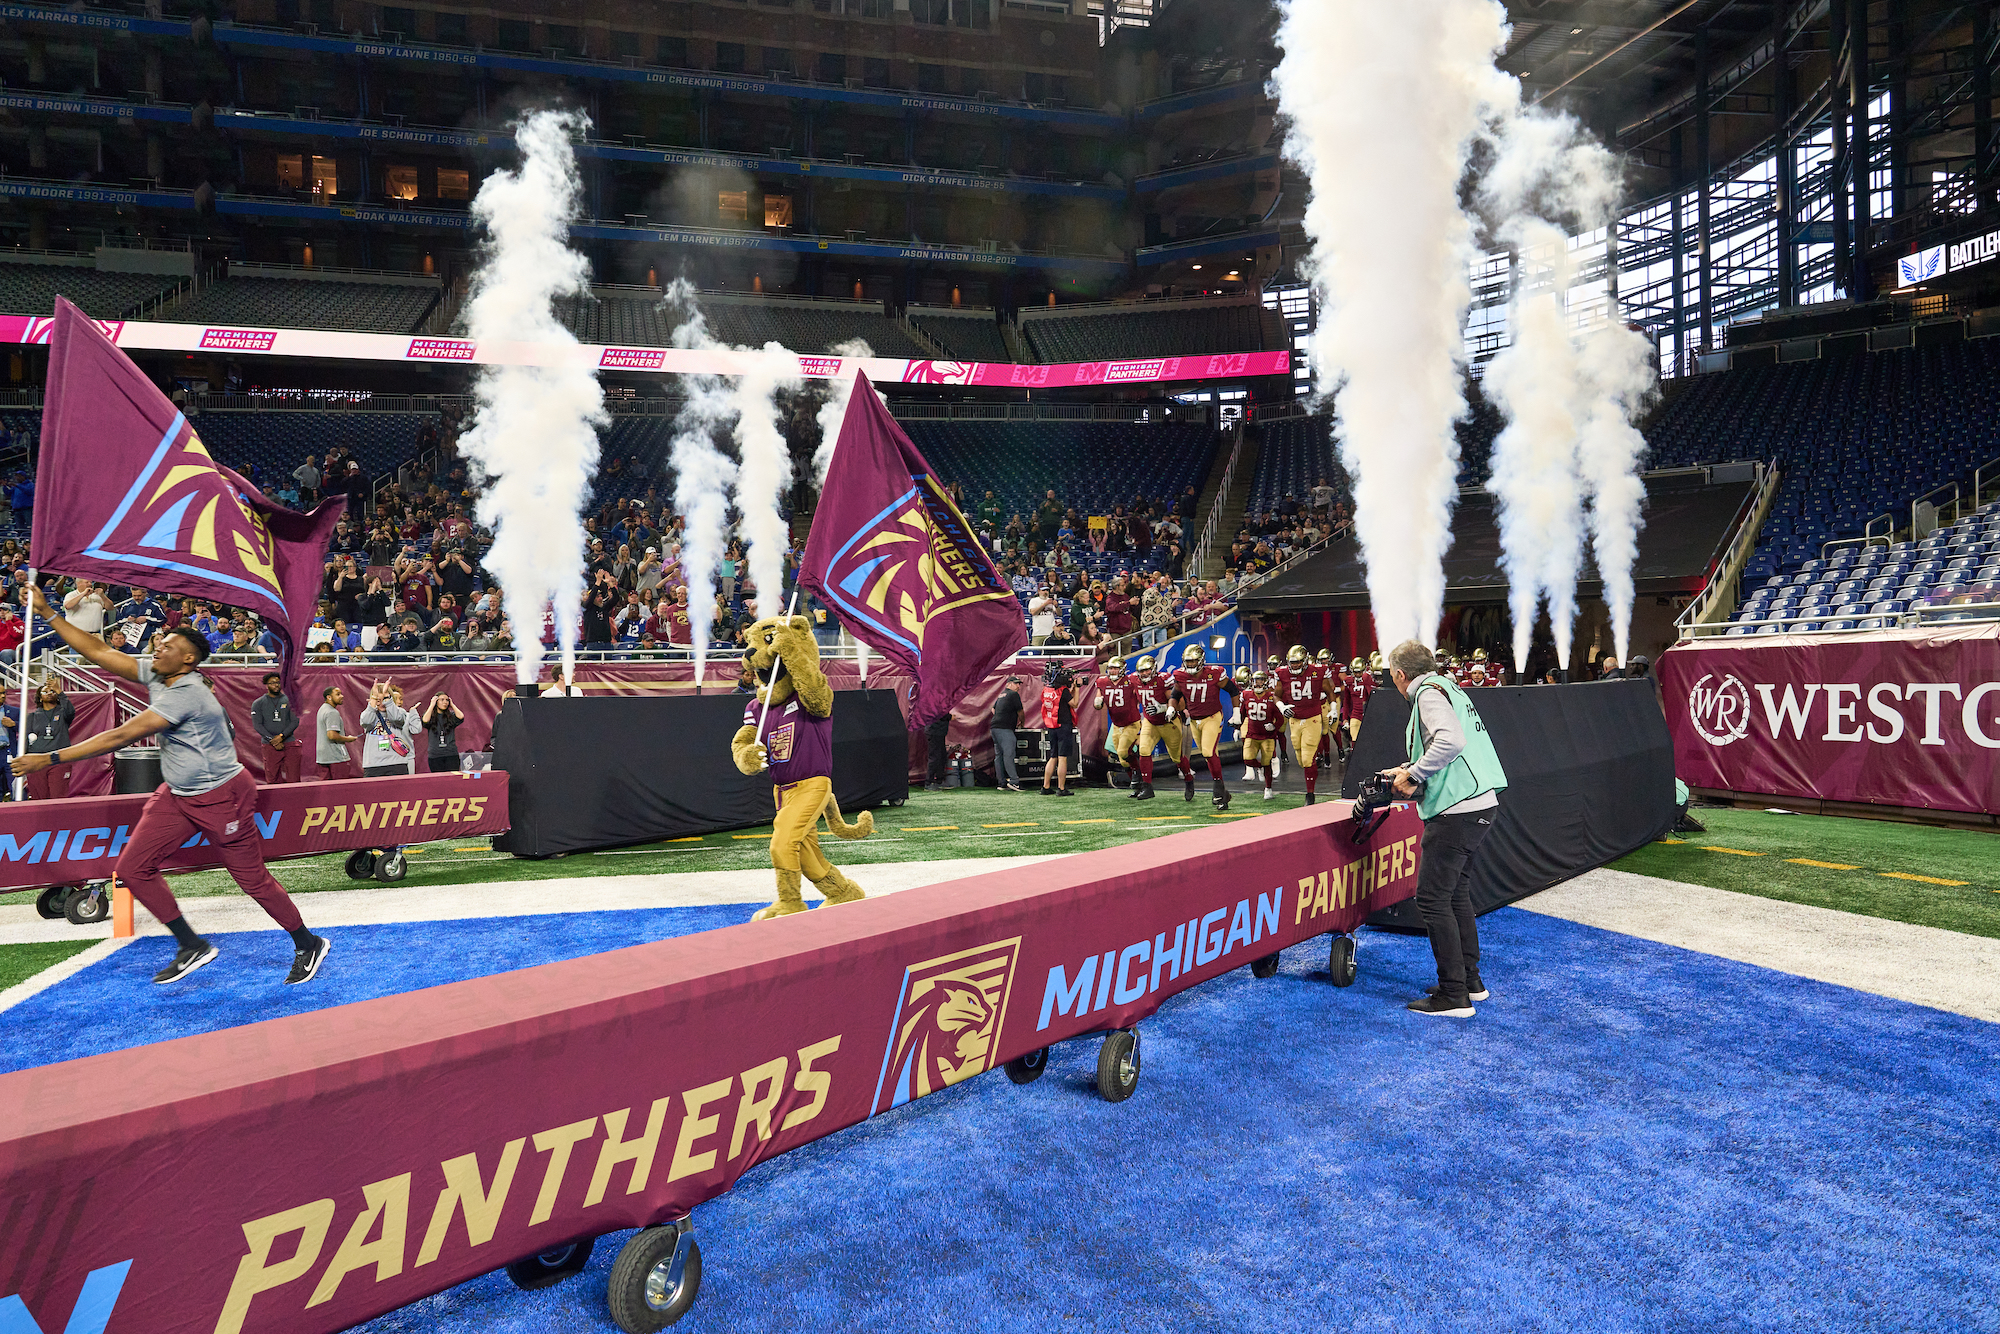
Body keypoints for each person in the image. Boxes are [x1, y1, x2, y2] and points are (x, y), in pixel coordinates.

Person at [12, 586, 330, 986]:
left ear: (189, 659)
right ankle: (190, 945)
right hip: (178, 794)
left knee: (251, 880)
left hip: (222, 796)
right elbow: (102, 654)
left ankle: (307, 942)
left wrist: (50, 757)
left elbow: (119, 736)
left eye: (168, 645)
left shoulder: (187, 694)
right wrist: (51, 614)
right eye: (160, 643)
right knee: (132, 868)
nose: (158, 646)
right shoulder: (162, 674)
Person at [1380, 640, 1511, 1019]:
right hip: (1480, 802)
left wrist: (1415, 773)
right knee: (1455, 895)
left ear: (1401, 674)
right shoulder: (1447, 685)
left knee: (1433, 899)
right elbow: (1449, 742)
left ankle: (1454, 996)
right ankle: (1470, 981)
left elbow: (1451, 741)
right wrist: (1408, 766)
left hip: (1457, 809)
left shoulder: (1426, 694)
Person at [1096, 656, 1143, 791]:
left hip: (1131, 723)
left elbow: (1141, 696)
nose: (1113, 671)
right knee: (1122, 760)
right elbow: (1098, 701)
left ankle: (1138, 775)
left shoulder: (1131, 681)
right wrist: (1098, 702)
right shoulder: (1102, 682)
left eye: (1116, 668)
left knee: (1123, 752)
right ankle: (1137, 784)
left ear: (1122, 669)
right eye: (1111, 668)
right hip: (1117, 725)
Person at [21, 680, 74, 800]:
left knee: (58, 797)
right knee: (39, 798)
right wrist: (23, 760)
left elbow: (70, 711)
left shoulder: (63, 713)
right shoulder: (32, 716)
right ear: (40, 698)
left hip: (58, 760)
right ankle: (41, 819)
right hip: (36, 761)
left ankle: (58, 819)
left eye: (52, 691)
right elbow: (25, 739)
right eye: (45, 691)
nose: (49, 693)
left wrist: (59, 690)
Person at [251, 671, 302, 784]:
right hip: (270, 745)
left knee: (294, 779)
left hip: (289, 743)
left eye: (278, 682)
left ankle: (295, 801)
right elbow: (257, 725)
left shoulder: (290, 700)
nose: (276, 685)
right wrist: (272, 740)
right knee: (272, 779)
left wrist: (281, 736)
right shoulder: (258, 703)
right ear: (266, 685)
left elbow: (295, 721)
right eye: (273, 683)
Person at [357, 680, 415, 779]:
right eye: (379, 700)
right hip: (373, 764)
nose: (382, 703)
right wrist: (373, 703)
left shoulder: (400, 712)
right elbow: (366, 722)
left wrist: (388, 701)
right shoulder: (368, 713)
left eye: (385, 699)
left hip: (396, 762)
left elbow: (397, 719)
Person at [1039, 666, 1079, 797]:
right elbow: (1074, 703)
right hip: (1063, 726)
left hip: (1051, 726)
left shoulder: (1046, 690)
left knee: (1053, 756)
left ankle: (1046, 786)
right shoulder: (1063, 691)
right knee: (1062, 758)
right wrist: (1077, 689)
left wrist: (1070, 690)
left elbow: (1059, 701)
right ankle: (1061, 788)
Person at [990, 675, 1024, 792]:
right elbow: (1020, 711)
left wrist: (999, 716)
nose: (1018, 686)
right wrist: (1022, 722)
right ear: (1009, 684)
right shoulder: (1013, 695)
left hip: (994, 728)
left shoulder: (1001, 695)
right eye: (1016, 683)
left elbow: (993, 709)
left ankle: (1002, 783)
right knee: (1009, 754)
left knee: (999, 756)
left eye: (1019, 684)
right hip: (1005, 728)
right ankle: (1014, 781)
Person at [316, 686, 357, 780]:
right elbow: (332, 735)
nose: (342, 696)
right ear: (329, 697)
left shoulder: (322, 709)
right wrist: (348, 739)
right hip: (335, 757)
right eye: (338, 694)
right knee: (340, 790)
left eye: (341, 693)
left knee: (327, 790)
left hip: (323, 757)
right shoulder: (332, 712)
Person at [421, 691, 463, 772]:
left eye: (447, 700)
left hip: (451, 754)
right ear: (436, 701)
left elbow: (461, 716)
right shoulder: (430, 715)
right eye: (442, 700)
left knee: (452, 780)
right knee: (438, 781)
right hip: (435, 755)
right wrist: (431, 705)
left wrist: (452, 705)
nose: (445, 702)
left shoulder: (451, 716)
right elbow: (425, 720)